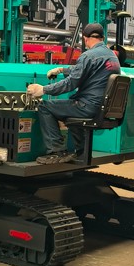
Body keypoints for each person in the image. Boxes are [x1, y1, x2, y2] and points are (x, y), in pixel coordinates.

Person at [26, 22, 120, 164]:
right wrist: (62, 70)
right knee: (70, 108)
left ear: (85, 38)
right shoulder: (112, 56)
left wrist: (43, 89)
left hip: (88, 107)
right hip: (104, 108)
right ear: (103, 37)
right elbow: (87, 70)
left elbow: (70, 83)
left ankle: (57, 151)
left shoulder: (88, 55)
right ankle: (81, 151)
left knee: (45, 106)